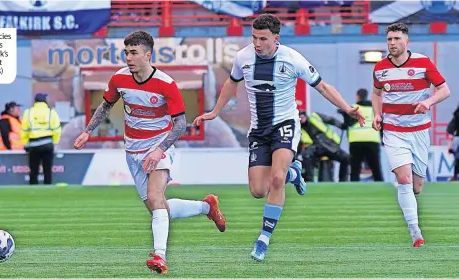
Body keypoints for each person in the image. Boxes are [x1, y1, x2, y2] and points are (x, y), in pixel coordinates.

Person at [193, 14, 364, 262]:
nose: (257, 43)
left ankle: (263, 239)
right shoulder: (243, 57)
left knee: (276, 178)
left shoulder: (292, 59)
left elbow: (323, 87)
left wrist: (348, 108)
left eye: (263, 38)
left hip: (285, 124)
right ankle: (295, 173)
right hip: (259, 130)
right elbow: (231, 84)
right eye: (254, 37)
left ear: (276, 38)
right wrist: (215, 111)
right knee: (258, 190)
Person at [73, 30, 226, 275]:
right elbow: (106, 105)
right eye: (126, 53)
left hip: (159, 147)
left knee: (156, 199)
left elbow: (179, 124)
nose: (128, 58)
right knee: (158, 207)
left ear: (148, 55)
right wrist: (89, 131)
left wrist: (159, 150)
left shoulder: (166, 84)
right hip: (132, 149)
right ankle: (207, 207)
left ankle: (159, 256)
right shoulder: (119, 79)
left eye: (133, 53)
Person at [371, 23, 451, 247]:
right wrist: (378, 114)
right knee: (404, 180)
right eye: (389, 39)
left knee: (416, 187)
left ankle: (411, 208)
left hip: (419, 131)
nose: (392, 43)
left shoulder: (423, 62)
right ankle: (415, 230)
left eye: (396, 39)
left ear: (407, 42)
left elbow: (445, 89)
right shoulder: (380, 68)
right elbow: (376, 93)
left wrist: (428, 102)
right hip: (394, 130)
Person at [340, 89, 383, 181]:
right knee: (376, 168)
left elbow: (347, 124)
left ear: (357, 96)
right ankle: (381, 185)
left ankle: (354, 189)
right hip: (372, 140)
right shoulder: (374, 109)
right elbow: (381, 123)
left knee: (355, 168)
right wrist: (383, 139)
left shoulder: (353, 108)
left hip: (356, 141)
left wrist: (344, 115)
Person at [22, 93, 62, 185]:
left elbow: (24, 130)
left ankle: (33, 188)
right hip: (47, 144)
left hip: (33, 145)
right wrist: (55, 142)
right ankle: (47, 188)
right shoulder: (51, 112)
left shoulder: (28, 113)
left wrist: (25, 143)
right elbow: (57, 130)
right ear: (45, 101)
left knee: (33, 170)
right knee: (47, 170)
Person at [300, 110, 350, 182]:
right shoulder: (298, 128)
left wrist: (341, 125)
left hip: (329, 145)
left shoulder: (315, 115)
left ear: (306, 115)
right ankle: (309, 181)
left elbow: (330, 120)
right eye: (299, 117)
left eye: (303, 115)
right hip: (314, 148)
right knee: (306, 156)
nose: (302, 118)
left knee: (346, 158)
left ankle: (343, 182)